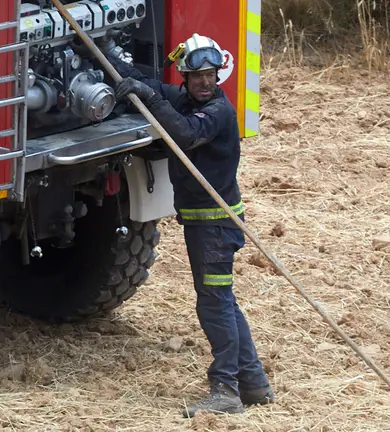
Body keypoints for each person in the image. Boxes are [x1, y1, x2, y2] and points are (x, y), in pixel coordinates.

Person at [101, 34, 275, 416]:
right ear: (185, 76)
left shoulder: (217, 112)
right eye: (196, 76)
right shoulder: (185, 98)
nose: (205, 82)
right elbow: (146, 83)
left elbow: (184, 133)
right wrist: (106, 55)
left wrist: (151, 99)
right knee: (223, 303)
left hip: (214, 229)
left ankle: (226, 391)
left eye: (210, 75)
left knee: (214, 306)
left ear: (218, 75)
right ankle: (254, 383)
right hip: (205, 227)